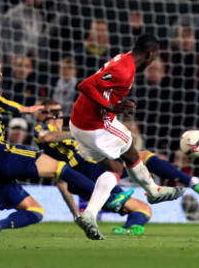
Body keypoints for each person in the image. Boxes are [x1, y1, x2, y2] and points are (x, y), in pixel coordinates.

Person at [0, 53, 111, 237]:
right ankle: (108, 199)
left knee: (35, 212)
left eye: (0, 70)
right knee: (60, 168)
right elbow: (2, 104)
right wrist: (26, 108)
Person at [34, 100, 199, 235]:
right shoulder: (42, 130)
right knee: (141, 156)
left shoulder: (66, 140)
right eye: (57, 113)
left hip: (91, 178)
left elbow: (61, 183)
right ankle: (192, 181)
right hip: (88, 170)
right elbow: (46, 137)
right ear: (49, 115)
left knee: (144, 209)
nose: (61, 117)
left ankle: (128, 229)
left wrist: (77, 216)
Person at [69, 34, 186, 240]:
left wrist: (115, 104)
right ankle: (153, 190)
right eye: (154, 57)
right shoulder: (123, 70)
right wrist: (112, 106)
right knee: (129, 146)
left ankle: (89, 214)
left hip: (79, 123)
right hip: (95, 124)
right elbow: (85, 85)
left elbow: (103, 88)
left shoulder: (124, 60)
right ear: (150, 54)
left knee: (115, 168)